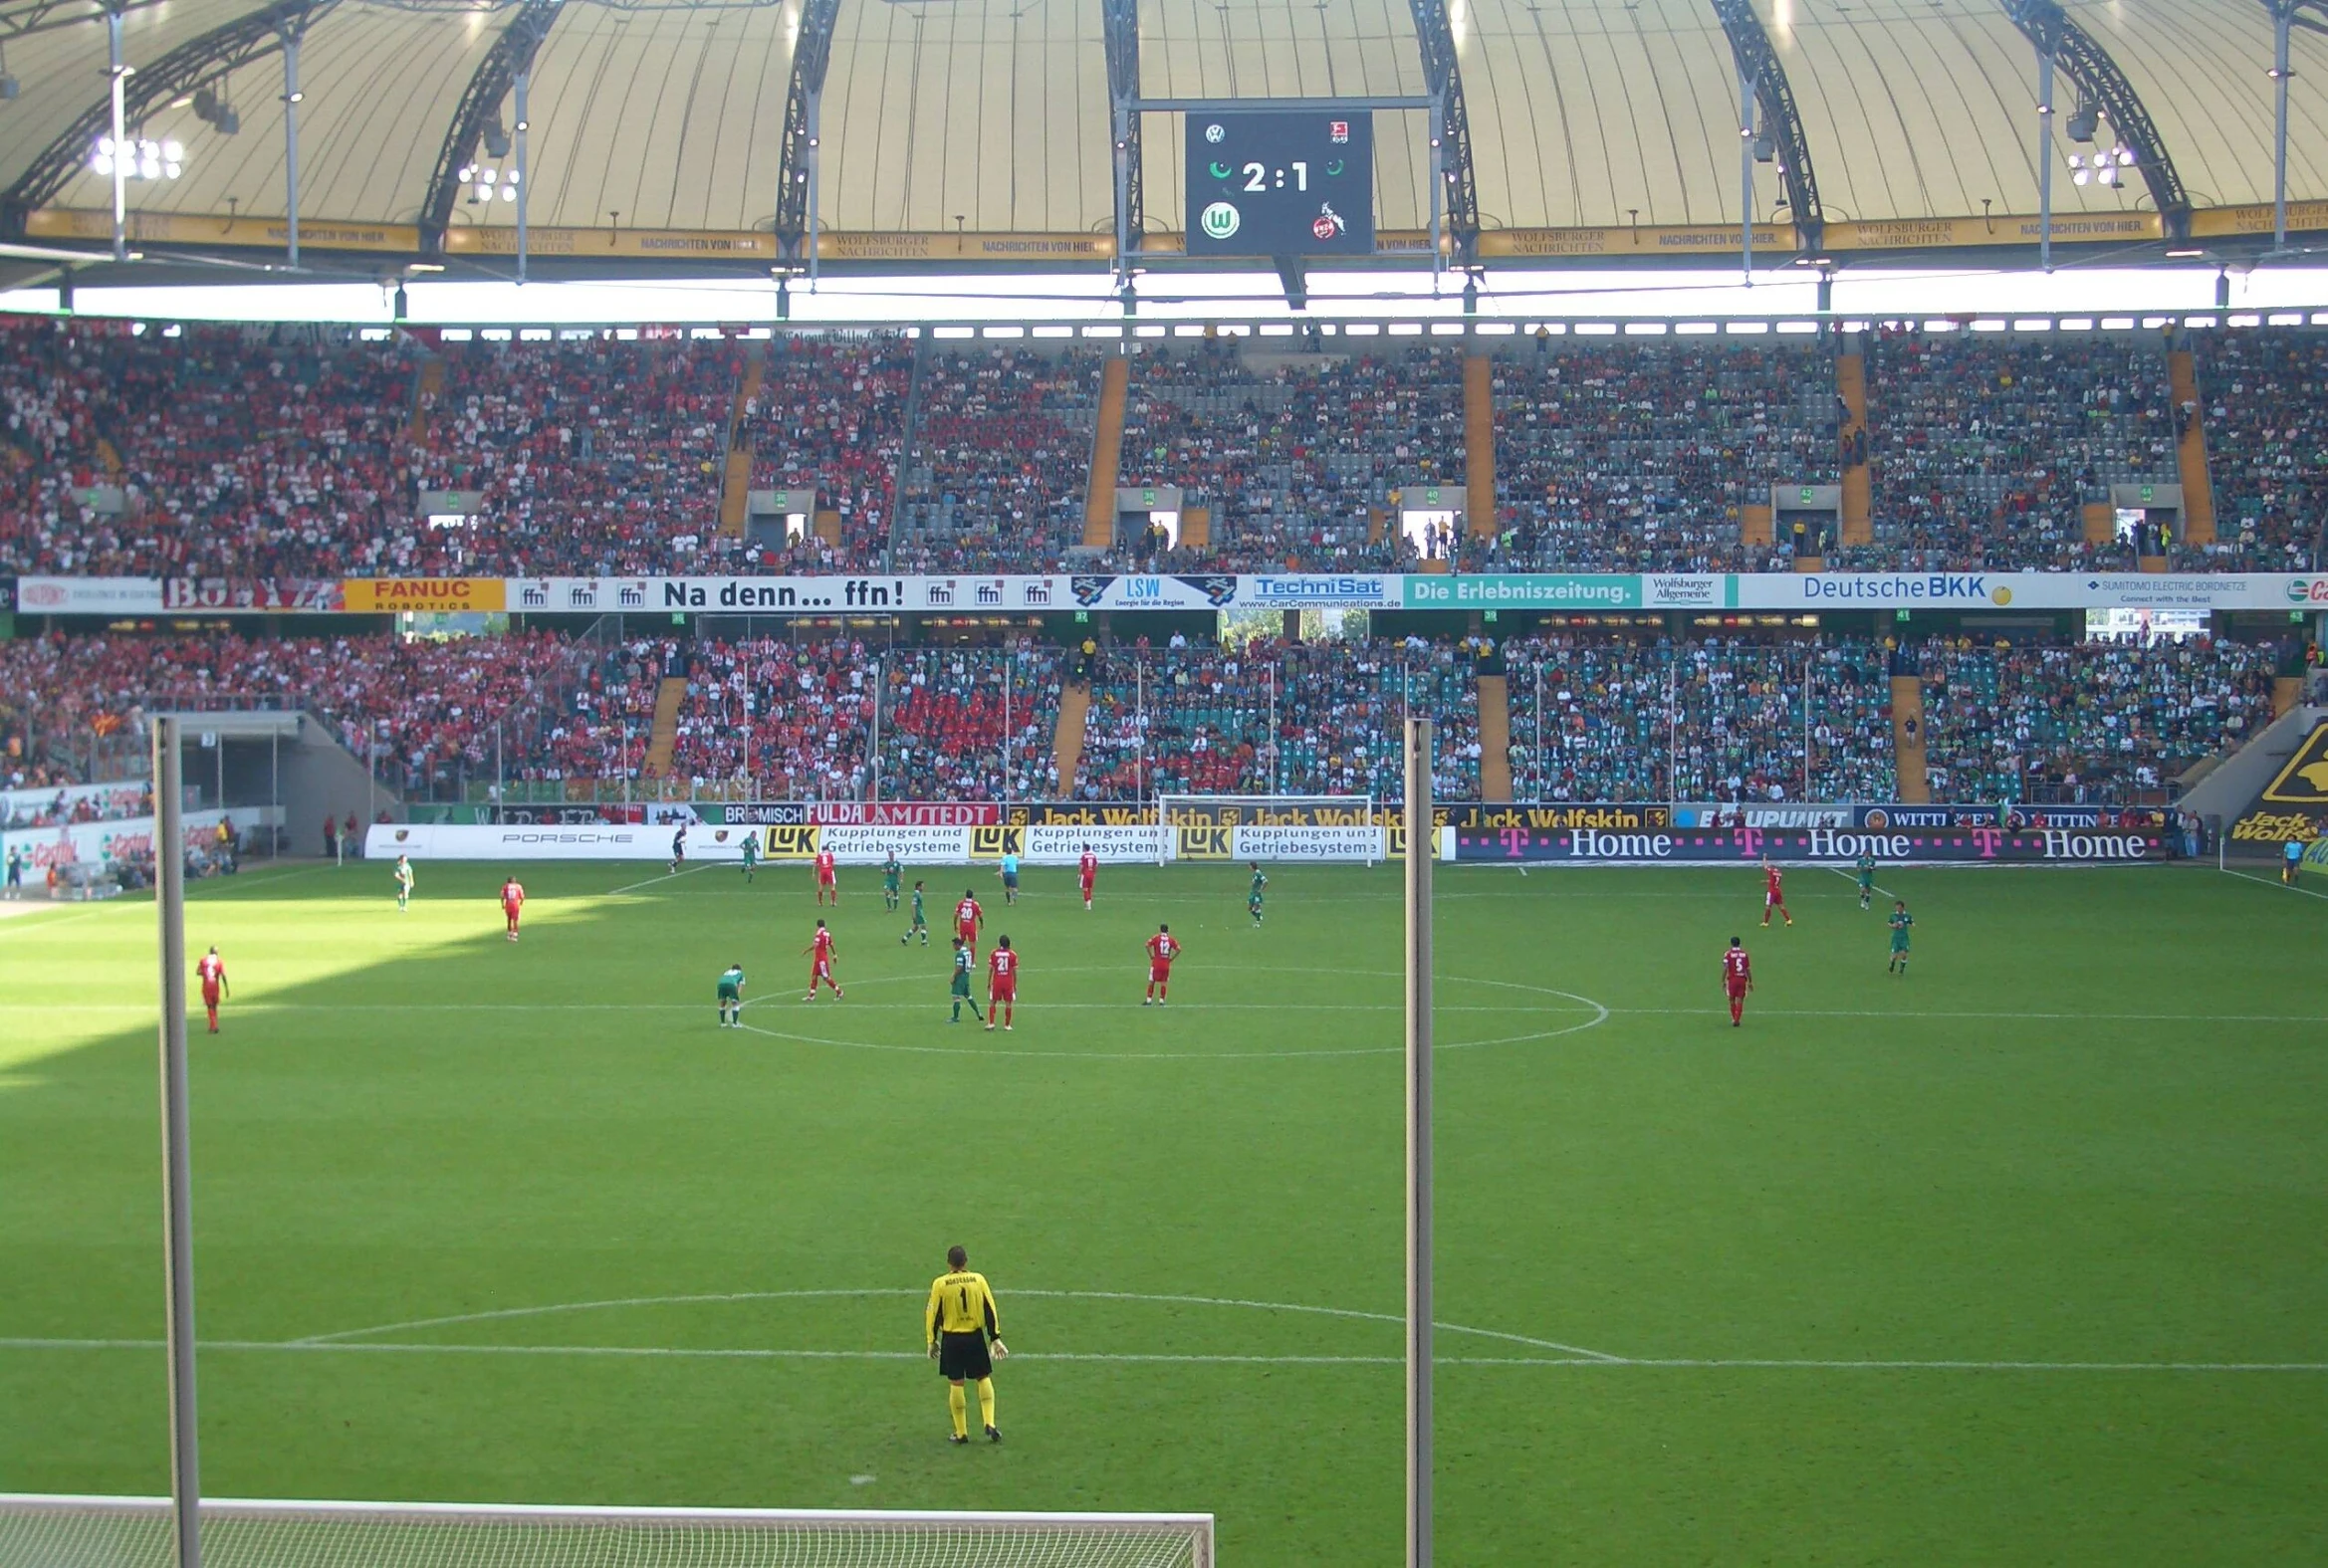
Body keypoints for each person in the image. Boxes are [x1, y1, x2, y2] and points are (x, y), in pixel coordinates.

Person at [926, 1244, 1007, 1445]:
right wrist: (995, 1337)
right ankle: (990, 1422)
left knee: (956, 1382)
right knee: (982, 1377)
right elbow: (990, 1308)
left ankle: (961, 1433)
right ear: (966, 1261)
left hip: (952, 1339)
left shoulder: (940, 1284)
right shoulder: (978, 1280)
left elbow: (932, 1314)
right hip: (975, 1337)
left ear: (948, 1263)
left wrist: (931, 1340)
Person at [804, 918, 843, 1000]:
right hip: (819, 959)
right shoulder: (827, 934)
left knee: (826, 977)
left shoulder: (818, 934)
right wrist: (835, 954)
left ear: (817, 925)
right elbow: (831, 944)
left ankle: (839, 992)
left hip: (821, 960)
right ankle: (812, 995)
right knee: (814, 975)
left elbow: (815, 945)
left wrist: (806, 950)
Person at [986, 935, 1019, 1032]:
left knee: (992, 1001)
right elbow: (1014, 971)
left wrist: (988, 982)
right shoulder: (1013, 954)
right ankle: (1007, 1025)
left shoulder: (994, 953)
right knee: (1008, 1003)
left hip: (997, 981)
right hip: (1008, 981)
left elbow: (991, 969)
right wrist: (1015, 984)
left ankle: (991, 1023)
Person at [948, 936, 984, 1024]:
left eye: (954, 945)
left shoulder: (960, 954)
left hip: (960, 977)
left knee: (956, 997)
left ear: (958, 944)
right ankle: (978, 1013)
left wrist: (953, 976)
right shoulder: (968, 952)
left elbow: (959, 967)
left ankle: (955, 1018)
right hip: (966, 976)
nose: (953, 947)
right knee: (968, 996)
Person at [1144, 923, 1181, 1006]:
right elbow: (1179, 949)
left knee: (1152, 981)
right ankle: (1162, 1000)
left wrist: (1151, 956)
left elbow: (1147, 945)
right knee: (1163, 982)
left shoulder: (1156, 938)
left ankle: (1149, 999)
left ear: (1160, 930)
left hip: (1156, 963)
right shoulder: (1171, 939)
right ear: (1167, 930)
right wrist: (1171, 958)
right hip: (1165, 964)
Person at [195, 945, 228, 1034]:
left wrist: (205, 974)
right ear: (217, 953)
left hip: (206, 986)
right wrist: (226, 988)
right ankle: (214, 1025)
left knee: (209, 1007)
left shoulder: (203, 960)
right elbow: (223, 975)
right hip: (215, 987)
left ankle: (213, 1026)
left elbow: (198, 972)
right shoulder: (219, 961)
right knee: (214, 1006)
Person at [1722, 936, 1752, 1026]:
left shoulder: (1728, 954)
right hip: (1742, 979)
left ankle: (1734, 1019)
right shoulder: (1744, 954)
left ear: (1731, 943)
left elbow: (1725, 968)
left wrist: (1722, 980)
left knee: (1731, 999)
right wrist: (1750, 981)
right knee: (1740, 1000)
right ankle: (1737, 1019)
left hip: (1732, 979)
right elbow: (1747, 969)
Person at [1759, 856, 1792, 928]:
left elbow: (1765, 865)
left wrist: (1764, 858)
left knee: (1768, 907)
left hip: (1771, 892)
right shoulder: (1779, 873)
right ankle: (1788, 920)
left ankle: (1765, 922)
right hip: (1778, 890)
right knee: (1781, 906)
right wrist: (1765, 882)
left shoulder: (1770, 870)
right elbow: (1773, 881)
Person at [954, 888, 985, 960]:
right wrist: (982, 924)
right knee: (972, 944)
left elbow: (956, 915)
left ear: (966, 895)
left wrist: (955, 925)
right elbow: (980, 916)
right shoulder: (975, 904)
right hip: (971, 926)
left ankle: (961, 959)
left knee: (961, 943)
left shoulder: (961, 903)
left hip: (963, 925)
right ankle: (971, 962)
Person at [717, 960, 747, 1026]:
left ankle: (722, 1023)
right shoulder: (740, 974)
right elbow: (740, 985)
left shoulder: (727, 972)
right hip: (731, 985)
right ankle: (735, 1023)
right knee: (735, 1004)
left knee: (722, 1002)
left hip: (720, 984)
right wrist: (736, 995)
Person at [901, 879, 930, 946]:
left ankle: (904, 939)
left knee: (916, 927)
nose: (923, 888)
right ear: (918, 887)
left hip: (918, 912)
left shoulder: (918, 893)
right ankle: (924, 941)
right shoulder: (916, 894)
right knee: (923, 925)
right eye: (922, 886)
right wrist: (914, 915)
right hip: (918, 913)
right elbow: (913, 904)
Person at [500, 874, 526, 942]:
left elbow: (502, 896)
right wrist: (521, 902)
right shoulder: (518, 886)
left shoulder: (505, 886)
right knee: (515, 920)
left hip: (508, 904)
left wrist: (502, 904)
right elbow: (522, 896)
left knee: (509, 919)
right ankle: (514, 935)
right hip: (515, 904)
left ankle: (509, 934)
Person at [1077, 843, 1097, 911]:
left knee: (1085, 889)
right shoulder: (1093, 856)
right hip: (1091, 873)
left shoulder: (1084, 856)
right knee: (1090, 889)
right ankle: (1089, 905)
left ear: (1085, 849)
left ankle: (1088, 906)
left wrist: (1079, 874)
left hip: (1085, 873)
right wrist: (1094, 873)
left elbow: (1081, 866)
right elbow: (1096, 865)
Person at [1248, 862, 1268, 927]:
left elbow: (1265, 881)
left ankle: (1257, 923)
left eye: (1249, 866)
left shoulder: (1258, 873)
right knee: (1250, 908)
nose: (1249, 867)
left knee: (1256, 907)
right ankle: (1258, 916)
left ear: (1252, 866)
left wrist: (1261, 889)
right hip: (1252, 893)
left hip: (1256, 894)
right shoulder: (1255, 873)